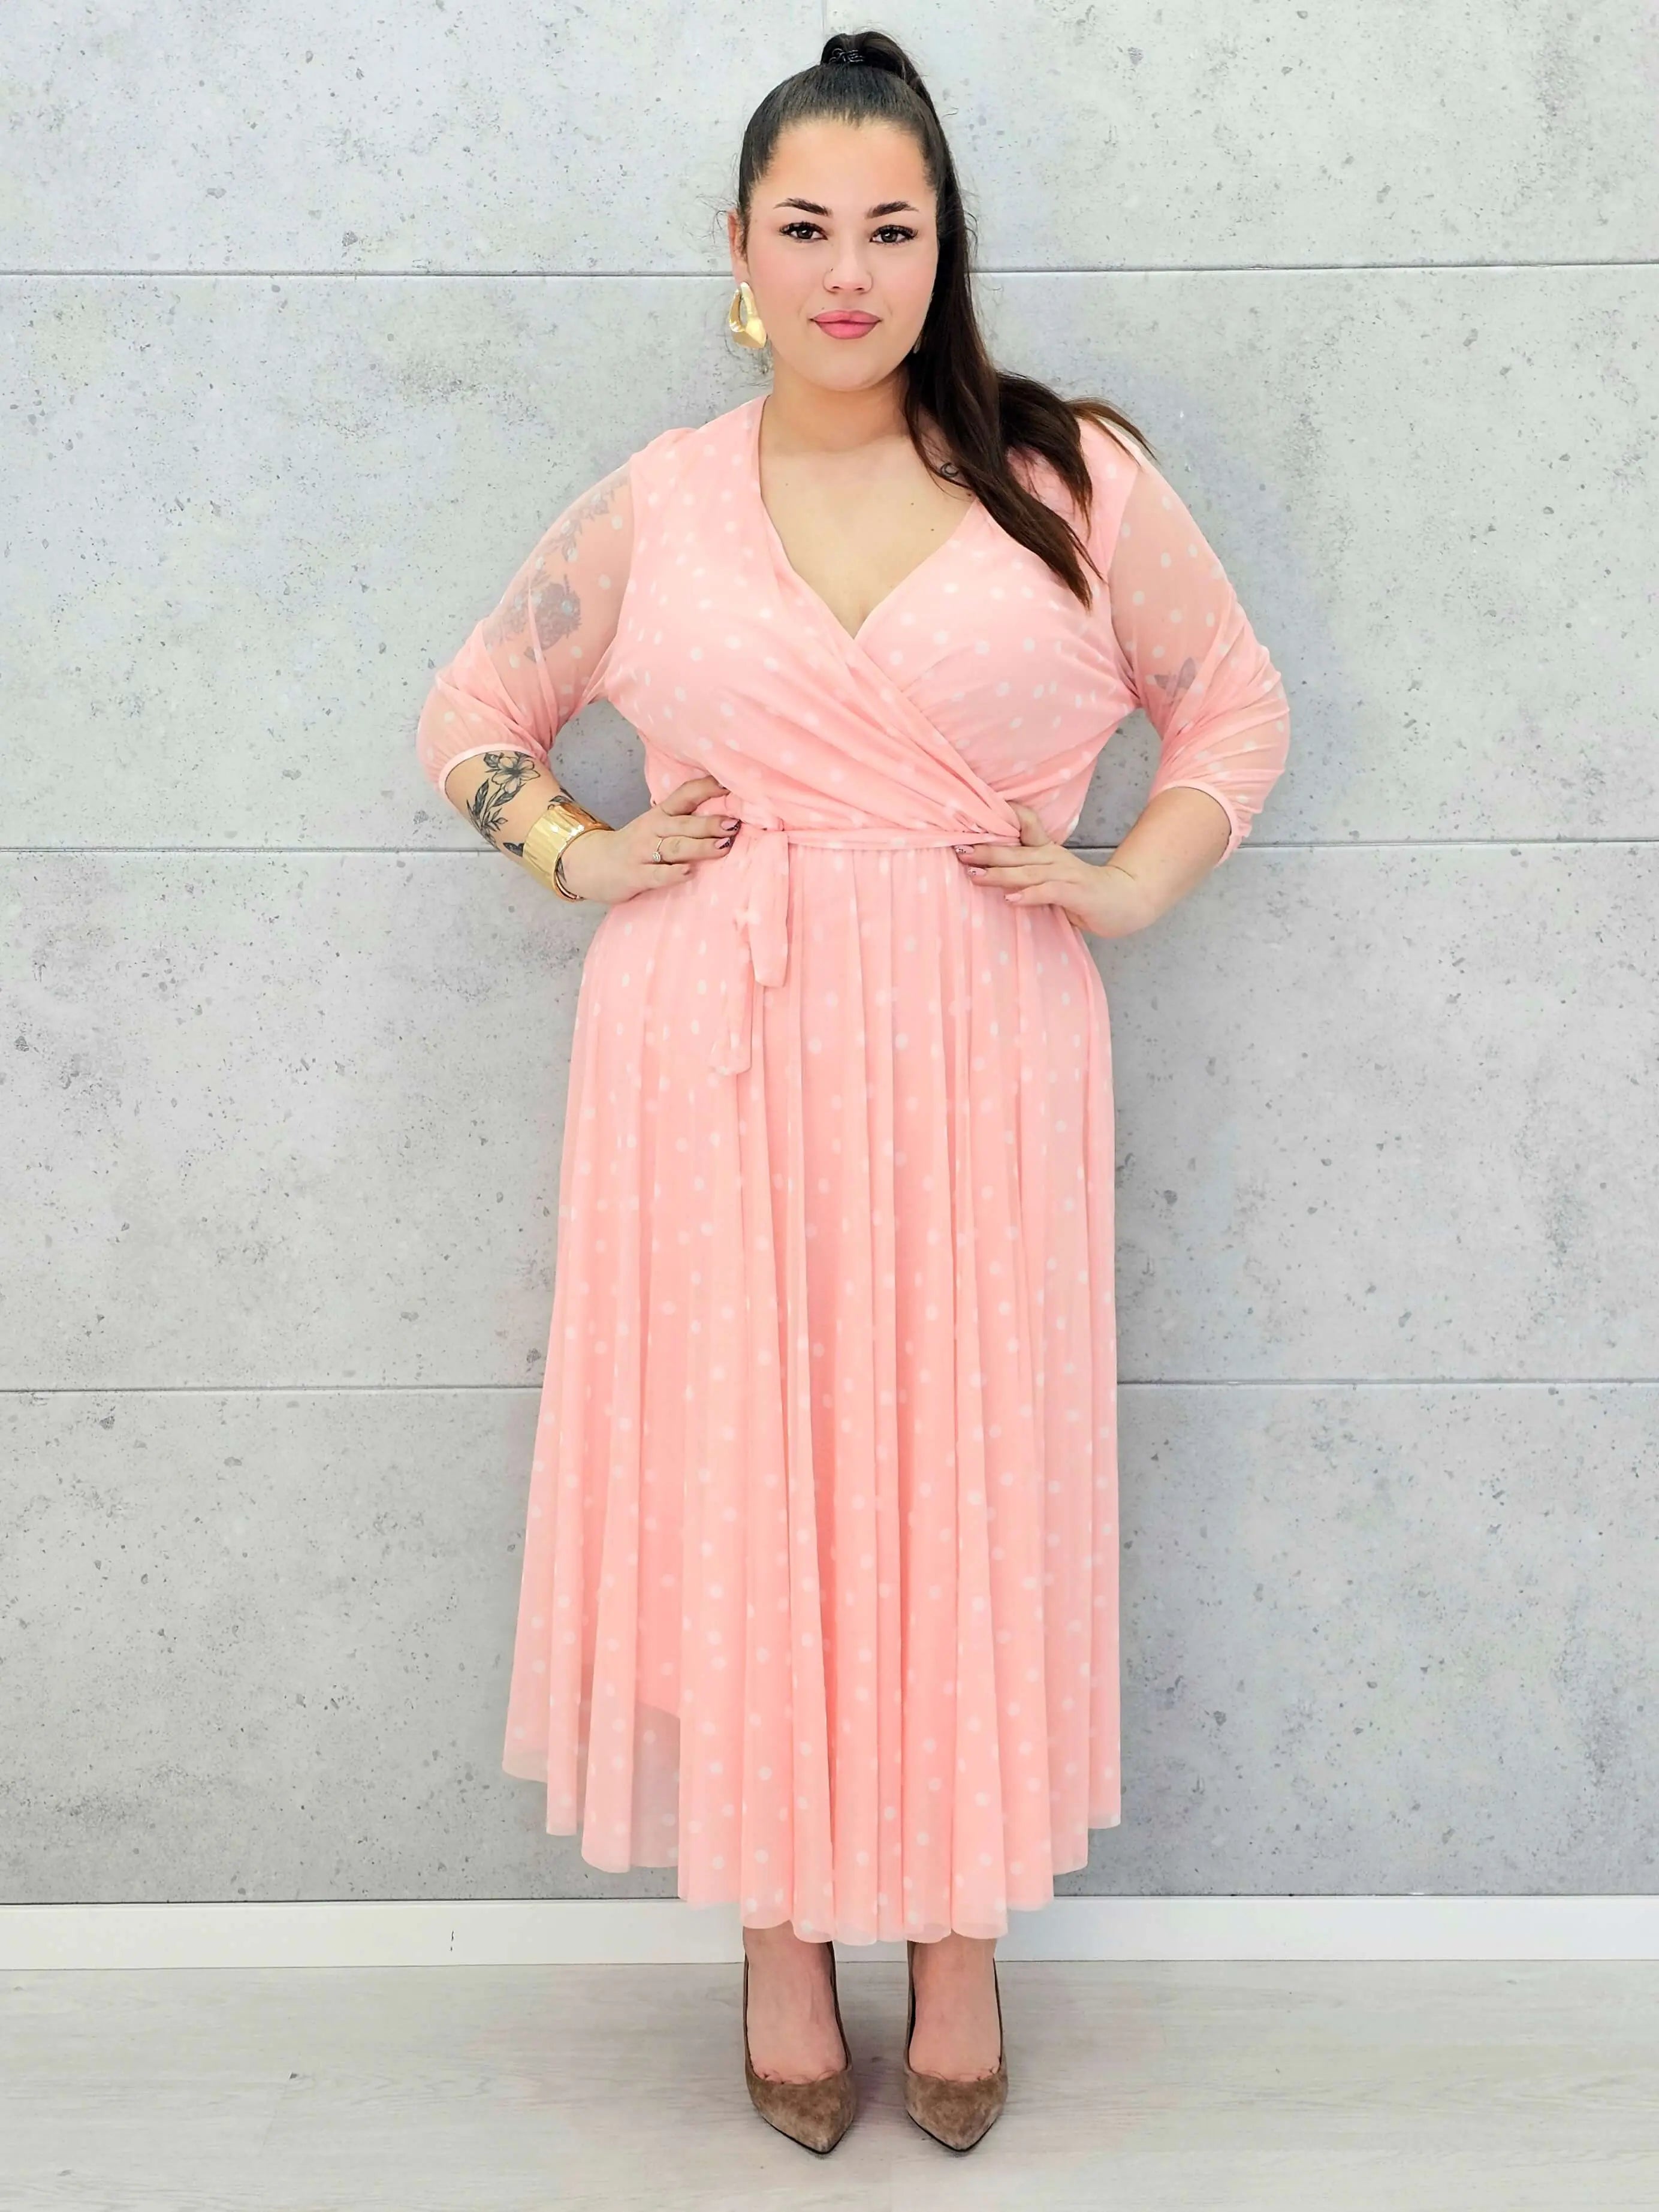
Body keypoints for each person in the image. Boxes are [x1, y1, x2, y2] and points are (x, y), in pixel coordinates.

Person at [415, 27, 1289, 2156]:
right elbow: (475, 707)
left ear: (942, 246)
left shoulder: (1069, 474)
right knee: (758, 1475)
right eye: (805, 227)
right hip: (713, 1052)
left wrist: (1129, 883)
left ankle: (960, 1928)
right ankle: (784, 1927)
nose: (847, 270)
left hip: (982, 1037)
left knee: (963, 1459)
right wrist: (579, 850)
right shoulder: (662, 497)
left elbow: (1234, 705)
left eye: (891, 229)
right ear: (737, 246)